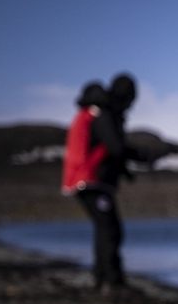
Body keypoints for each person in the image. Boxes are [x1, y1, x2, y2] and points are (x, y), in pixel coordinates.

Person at [61, 72, 148, 292]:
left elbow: (106, 149)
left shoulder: (95, 113)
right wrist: (144, 155)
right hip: (91, 180)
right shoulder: (102, 115)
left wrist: (124, 172)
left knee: (105, 228)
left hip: (88, 180)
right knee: (110, 230)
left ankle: (100, 278)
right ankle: (113, 281)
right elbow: (116, 147)